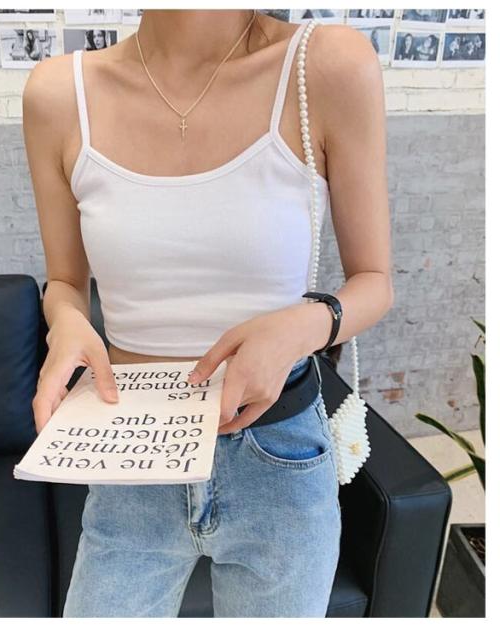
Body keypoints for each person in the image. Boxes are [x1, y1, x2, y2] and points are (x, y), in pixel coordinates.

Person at [22, 9, 393, 617]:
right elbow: (64, 281)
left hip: (277, 453)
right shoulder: (59, 93)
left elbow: (374, 282)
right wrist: (66, 321)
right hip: (130, 452)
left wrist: (302, 324)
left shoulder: (326, 66)